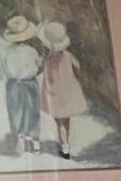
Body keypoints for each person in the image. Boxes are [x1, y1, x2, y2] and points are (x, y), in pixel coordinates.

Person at [37, 20, 89, 159]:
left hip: (56, 94)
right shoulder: (68, 56)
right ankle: (66, 143)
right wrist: (72, 76)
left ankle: (65, 148)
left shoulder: (48, 60)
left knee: (59, 122)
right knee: (66, 120)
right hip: (68, 91)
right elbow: (78, 67)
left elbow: (44, 75)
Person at [0, 15, 43, 154]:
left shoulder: (4, 53)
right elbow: (38, 67)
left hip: (13, 85)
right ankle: (35, 142)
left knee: (15, 112)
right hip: (30, 83)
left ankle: (20, 139)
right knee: (32, 111)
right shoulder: (32, 51)